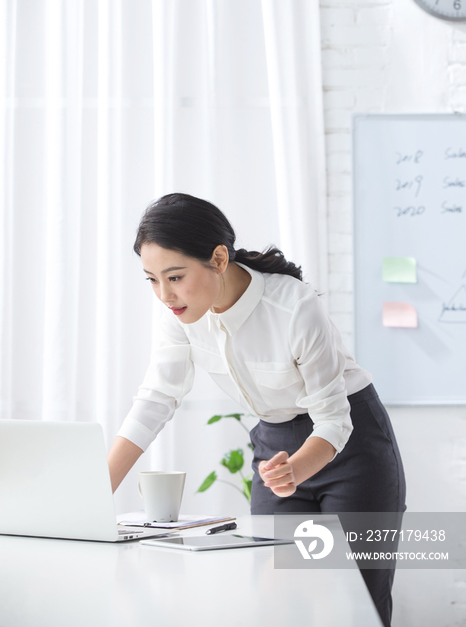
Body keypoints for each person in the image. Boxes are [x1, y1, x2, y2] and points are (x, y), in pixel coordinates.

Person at [107, 192, 406, 627]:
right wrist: (98, 491)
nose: (164, 294)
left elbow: (333, 419)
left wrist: (299, 468)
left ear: (218, 258)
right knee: (280, 604)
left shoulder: (294, 306)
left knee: (353, 606)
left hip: (352, 445)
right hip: (276, 446)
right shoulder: (177, 314)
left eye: (174, 276)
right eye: (151, 279)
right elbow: (156, 398)